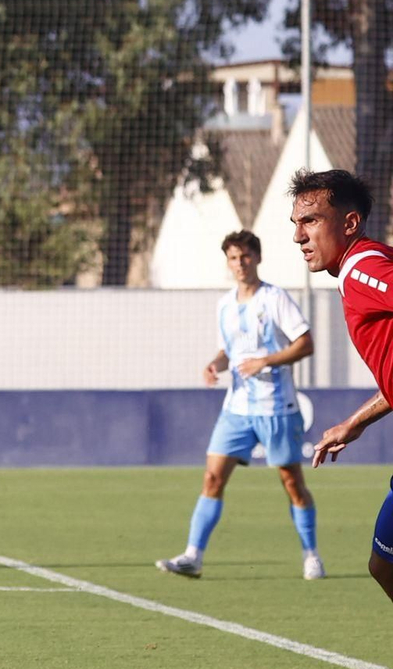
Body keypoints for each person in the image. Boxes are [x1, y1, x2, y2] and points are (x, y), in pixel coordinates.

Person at [155, 229, 323, 580]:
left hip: (276, 407)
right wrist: (215, 364)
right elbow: (227, 349)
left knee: (291, 482)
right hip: (237, 409)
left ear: (257, 258)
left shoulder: (274, 298)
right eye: (233, 258)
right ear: (228, 263)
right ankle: (193, 556)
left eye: (245, 256)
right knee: (212, 477)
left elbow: (305, 344)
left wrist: (266, 361)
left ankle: (311, 554)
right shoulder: (225, 304)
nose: (240, 263)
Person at [297, 169, 393, 602]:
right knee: (384, 565)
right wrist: (355, 423)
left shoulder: (362, 269)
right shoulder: (365, 266)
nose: (299, 236)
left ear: (349, 223)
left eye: (312, 220)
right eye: (296, 223)